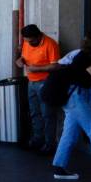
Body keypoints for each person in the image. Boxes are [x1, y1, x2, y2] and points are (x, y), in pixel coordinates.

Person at [52, 31, 91, 181]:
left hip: (73, 97)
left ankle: (59, 167)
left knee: (70, 134)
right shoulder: (85, 58)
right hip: (75, 98)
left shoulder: (82, 56)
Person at [16, 24, 61, 153]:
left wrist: (37, 69)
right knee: (35, 112)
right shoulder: (26, 43)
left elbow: (56, 66)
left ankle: (49, 144)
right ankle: (37, 140)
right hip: (31, 81)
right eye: (26, 40)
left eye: (30, 40)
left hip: (45, 82)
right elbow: (24, 57)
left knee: (48, 114)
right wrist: (20, 61)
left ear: (38, 36)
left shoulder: (50, 44)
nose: (28, 43)